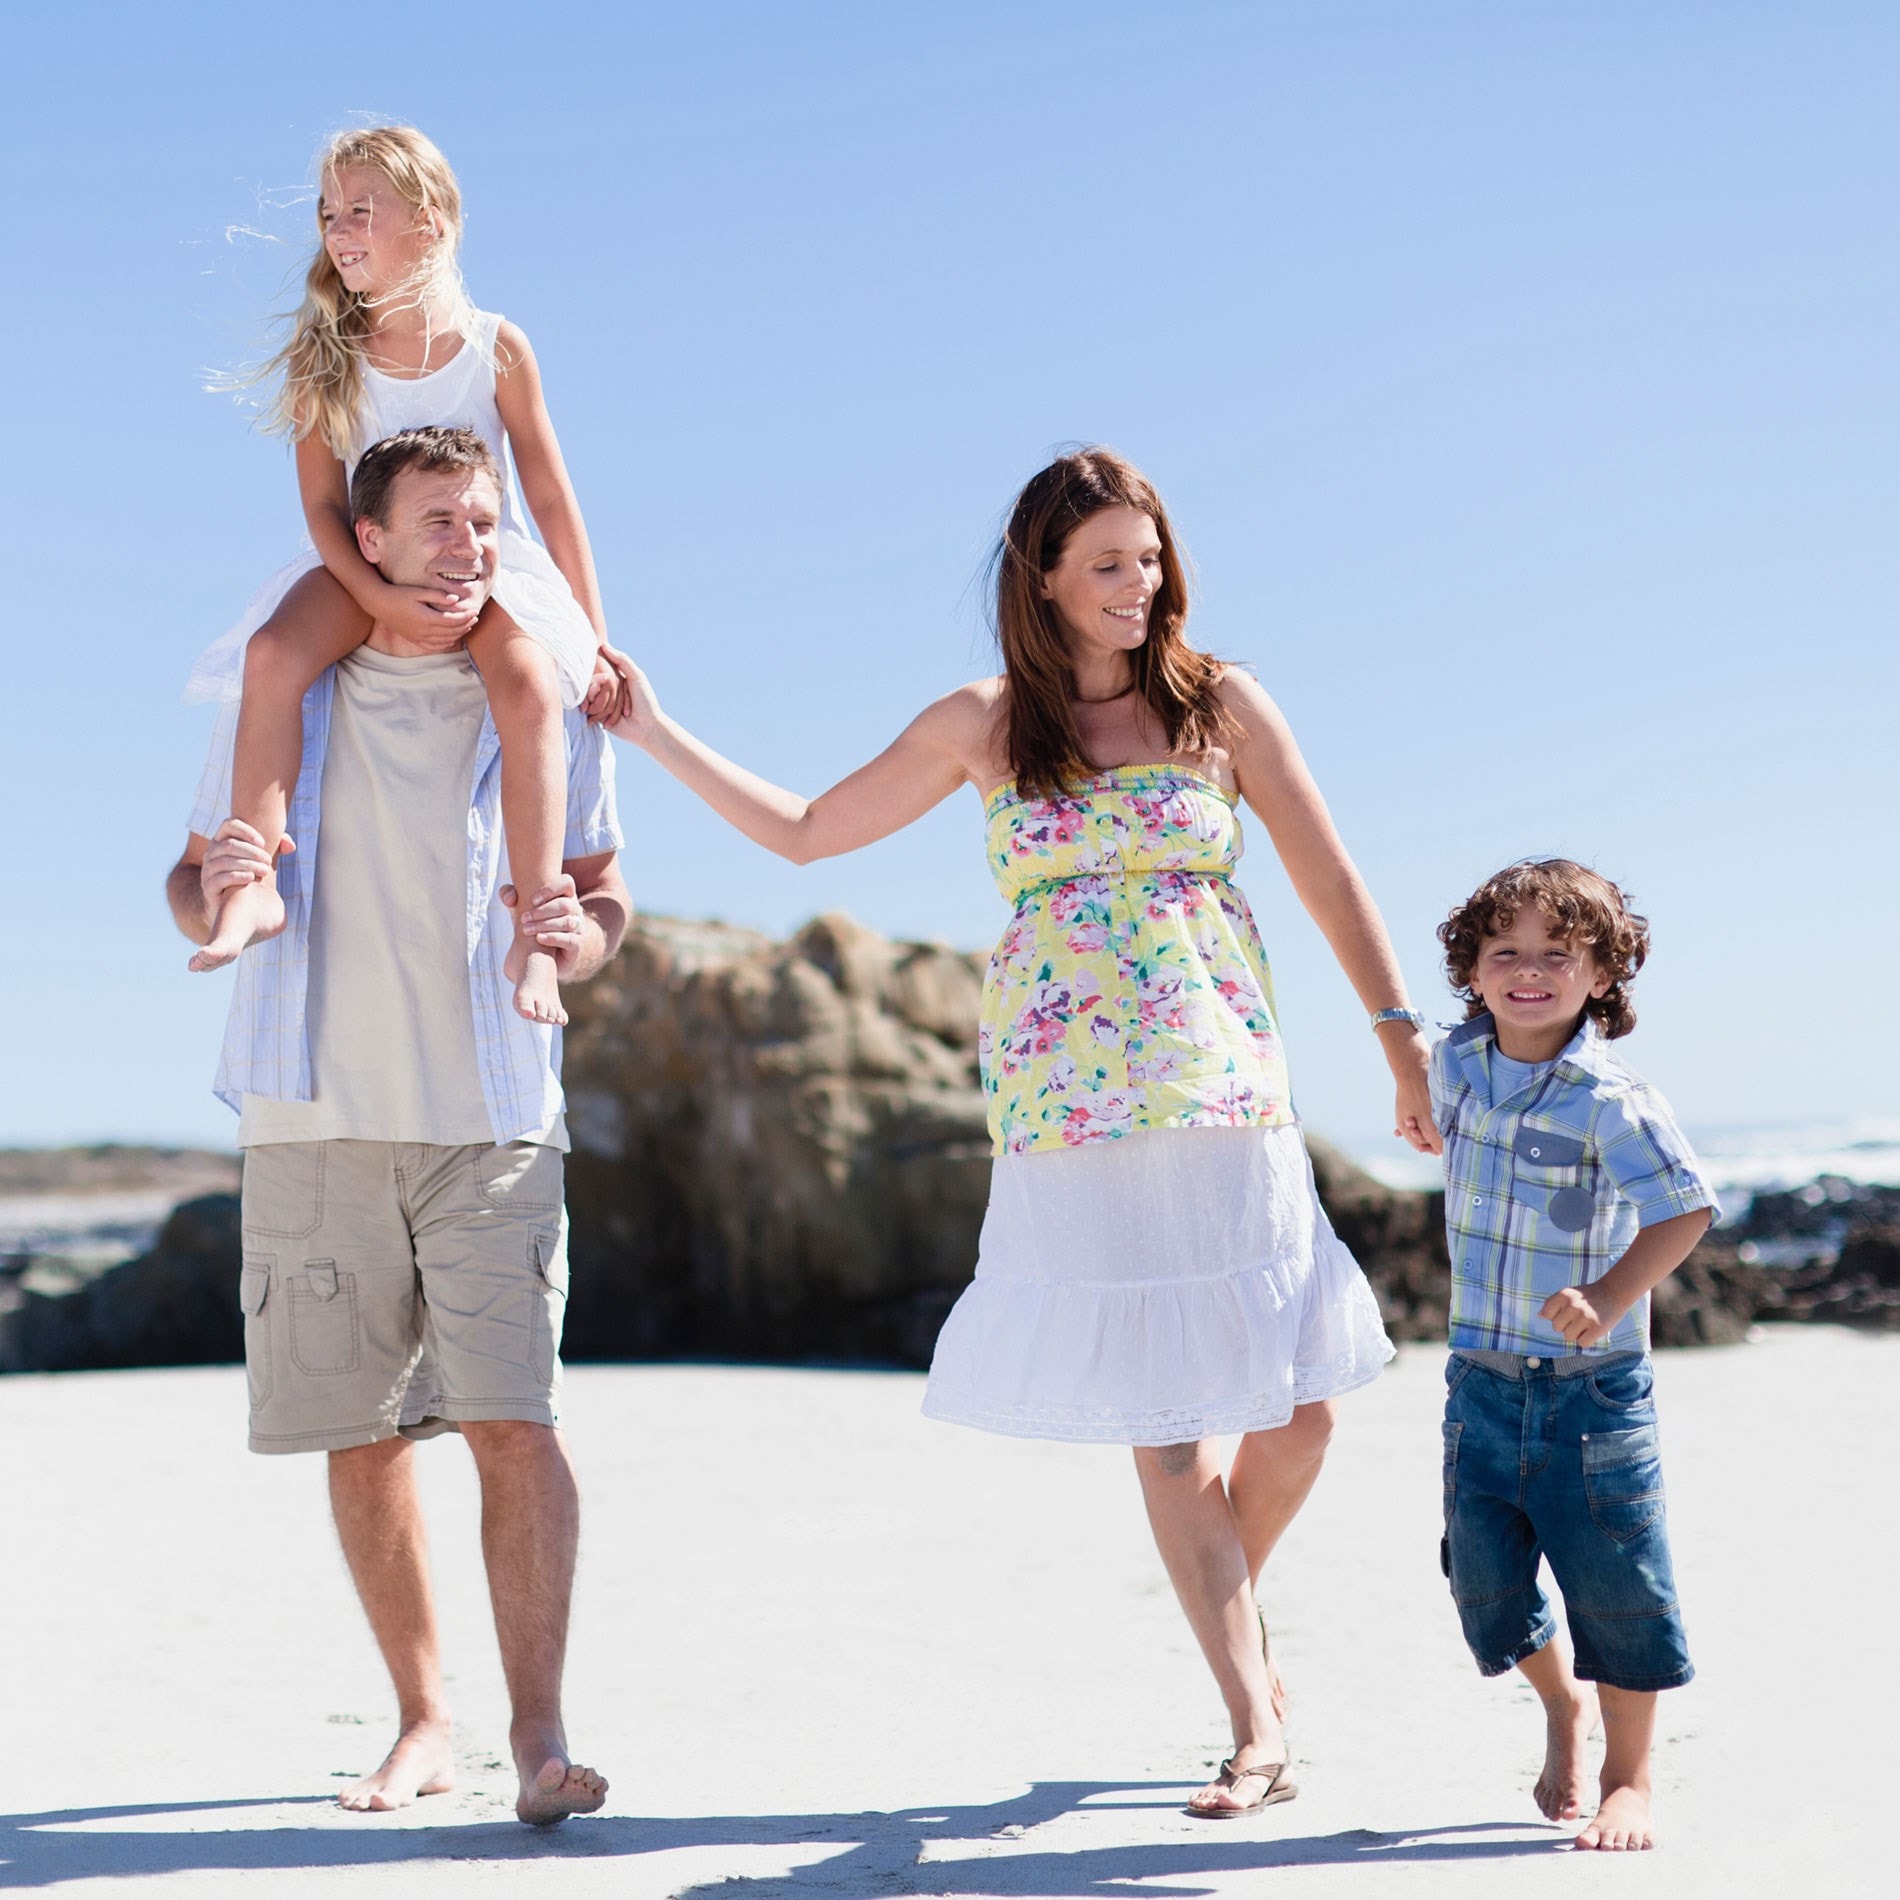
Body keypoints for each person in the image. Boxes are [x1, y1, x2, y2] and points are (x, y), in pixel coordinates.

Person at [607, 447, 1441, 1817]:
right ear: (1042, 579)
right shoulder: (984, 724)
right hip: (1076, 1113)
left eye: (1151, 556)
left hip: (1229, 1090)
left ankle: (1223, 1600)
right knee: (1174, 1440)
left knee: (1299, 1418)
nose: (1139, 583)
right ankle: (1254, 1723)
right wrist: (653, 730)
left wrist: (1397, 1032)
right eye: (1107, 563)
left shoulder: (1221, 704)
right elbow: (812, 832)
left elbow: (1324, 865)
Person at [167, 426, 629, 1826]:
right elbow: (190, 888)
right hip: (315, 1115)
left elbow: (604, 898)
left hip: (492, 1110)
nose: (468, 549)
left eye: (482, 525)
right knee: (360, 1438)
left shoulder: (535, 695)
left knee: (514, 1422)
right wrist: (221, 885)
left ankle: (538, 1738)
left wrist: (573, 937)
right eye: (438, 523)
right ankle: (425, 1724)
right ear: (363, 540)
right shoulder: (287, 690)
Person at [186, 124, 626, 1028]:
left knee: (532, 684)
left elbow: (546, 490)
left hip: (482, 566)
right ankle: (253, 886)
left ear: (427, 224)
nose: (339, 230)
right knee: (271, 655)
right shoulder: (326, 356)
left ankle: (538, 936)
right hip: (363, 562)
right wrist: (380, 595)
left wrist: (595, 633)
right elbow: (320, 508)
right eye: (327, 214)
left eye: (361, 211)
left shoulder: (494, 346)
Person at [1428, 859, 1716, 1852]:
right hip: (1478, 1380)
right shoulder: (1453, 1064)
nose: (1530, 970)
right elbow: (1397, 1041)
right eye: (1504, 950)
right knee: (1482, 1584)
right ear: (1472, 969)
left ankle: (1627, 1779)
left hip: (1592, 1393)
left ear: (1602, 972)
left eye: (1559, 953)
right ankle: (1560, 1705)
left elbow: (1685, 1209)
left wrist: (1604, 1295)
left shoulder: (1611, 1096)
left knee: (1616, 1586)